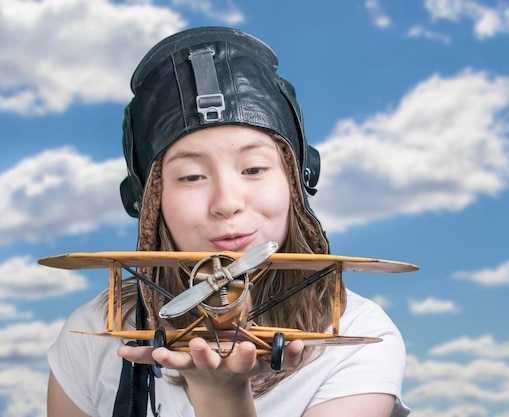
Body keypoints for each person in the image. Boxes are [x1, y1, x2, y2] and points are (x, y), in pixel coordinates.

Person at [47, 26, 409, 417]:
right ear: (150, 202)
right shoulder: (93, 329)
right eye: (191, 176)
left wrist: (223, 398)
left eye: (253, 169)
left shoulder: (363, 334)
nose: (226, 203)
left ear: (296, 181)